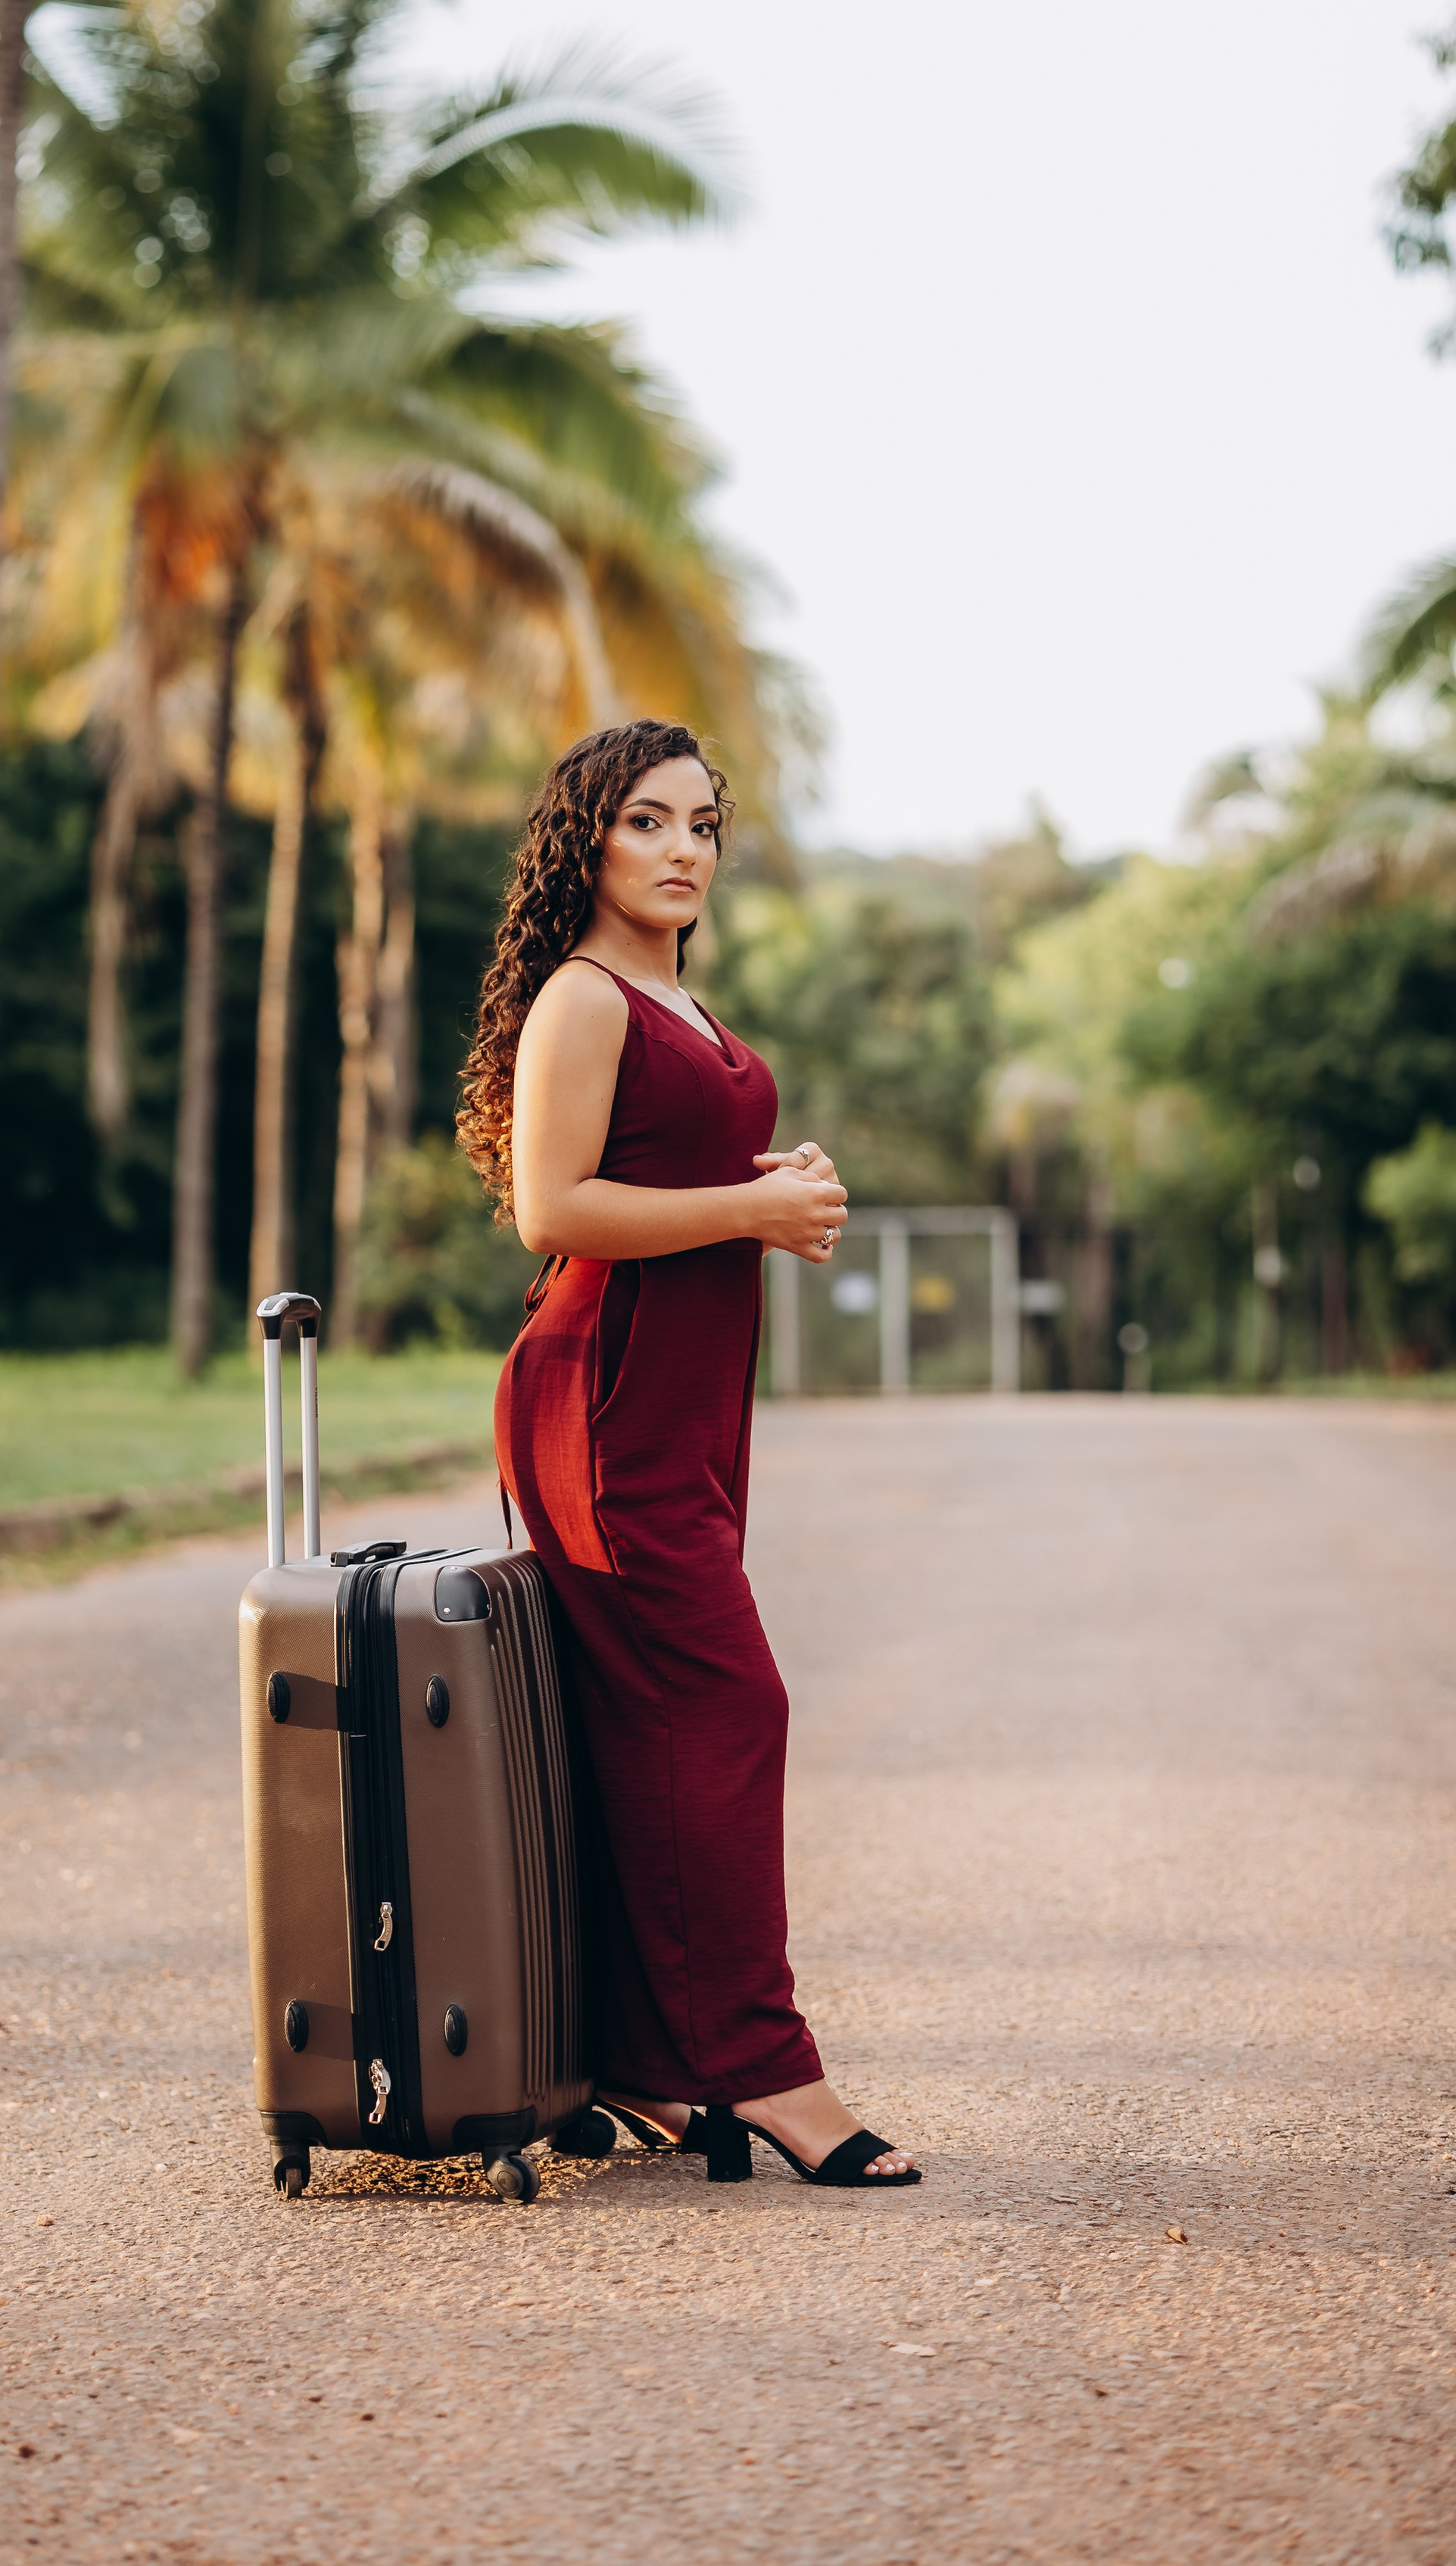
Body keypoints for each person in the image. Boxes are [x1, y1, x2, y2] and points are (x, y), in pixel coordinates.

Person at [457, 719, 920, 2188]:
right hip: (597, 1402)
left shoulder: (682, 1000)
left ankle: (654, 2073)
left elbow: (673, 1171)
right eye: (647, 822)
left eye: (701, 826)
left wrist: (768, 1186)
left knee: (660, 1725)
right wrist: (744, 1212)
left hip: (680, 1410)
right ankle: (766, 2072)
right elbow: (551, 1209)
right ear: (584, 841)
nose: (681, 851)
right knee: (730, 1706)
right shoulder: (581, 1001)